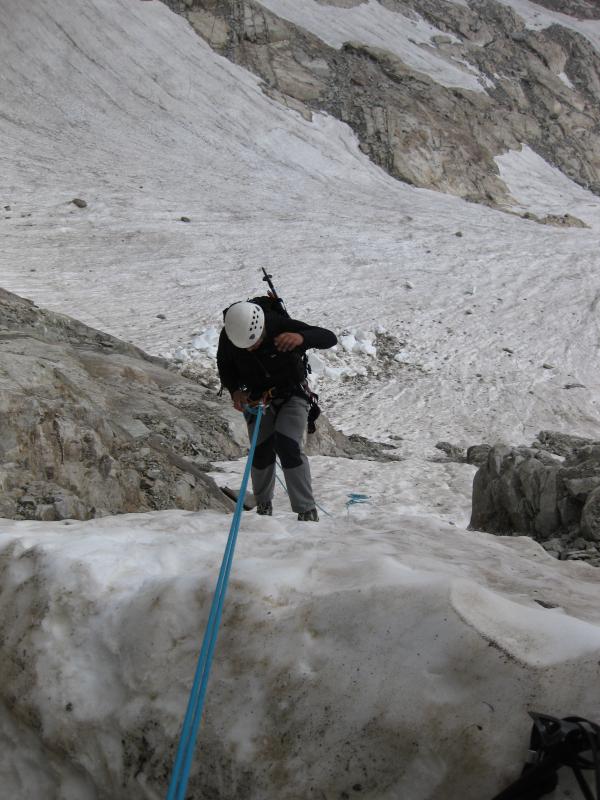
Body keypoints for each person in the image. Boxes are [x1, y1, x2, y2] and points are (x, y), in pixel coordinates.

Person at [217, 300, 337, 521]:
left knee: (287, 444)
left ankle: (306, 510)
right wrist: (235, 391)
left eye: (254, 343)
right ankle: (263, 506)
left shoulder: (278, 325)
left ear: (262, 328)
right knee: (260, 451)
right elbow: (225, 366)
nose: (251, 349)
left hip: (292, 394)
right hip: (256, 399)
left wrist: (302, 337)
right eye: (245, 347)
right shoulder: (230, 335)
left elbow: (329, 337)